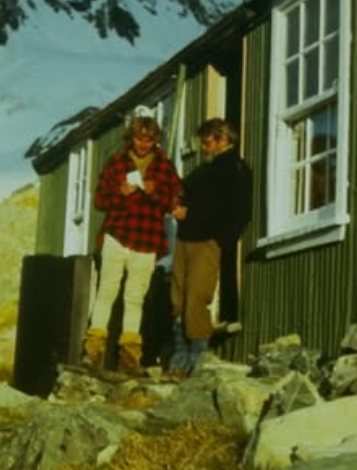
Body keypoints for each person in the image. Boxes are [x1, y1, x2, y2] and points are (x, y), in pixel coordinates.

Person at [81, 115, 181, 375]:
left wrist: (154, 193)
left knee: (134, 298)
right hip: (117, 236)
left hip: (147, 241)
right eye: (138, 139)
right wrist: (119, 193)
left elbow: (176, 203)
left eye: (148, 140)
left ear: (155, 140)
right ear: (130, 138)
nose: (143, 144)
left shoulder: (165, 168)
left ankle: (129, 357)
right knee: (107, 292)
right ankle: (92, 352)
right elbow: (99, 201)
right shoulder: (116, 163)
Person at [167, 118, 252, 378]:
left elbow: (239, 211)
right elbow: (182, 193)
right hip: (185, 239)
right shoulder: (203, 171)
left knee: (196, 297)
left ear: (223, 140)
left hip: (207, 241)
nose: (203, 148)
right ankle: (179, 355)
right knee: (178, 298)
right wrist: (176, 202)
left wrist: (223, 241)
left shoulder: (236, 169)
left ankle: (197, 358)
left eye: (207, 142)